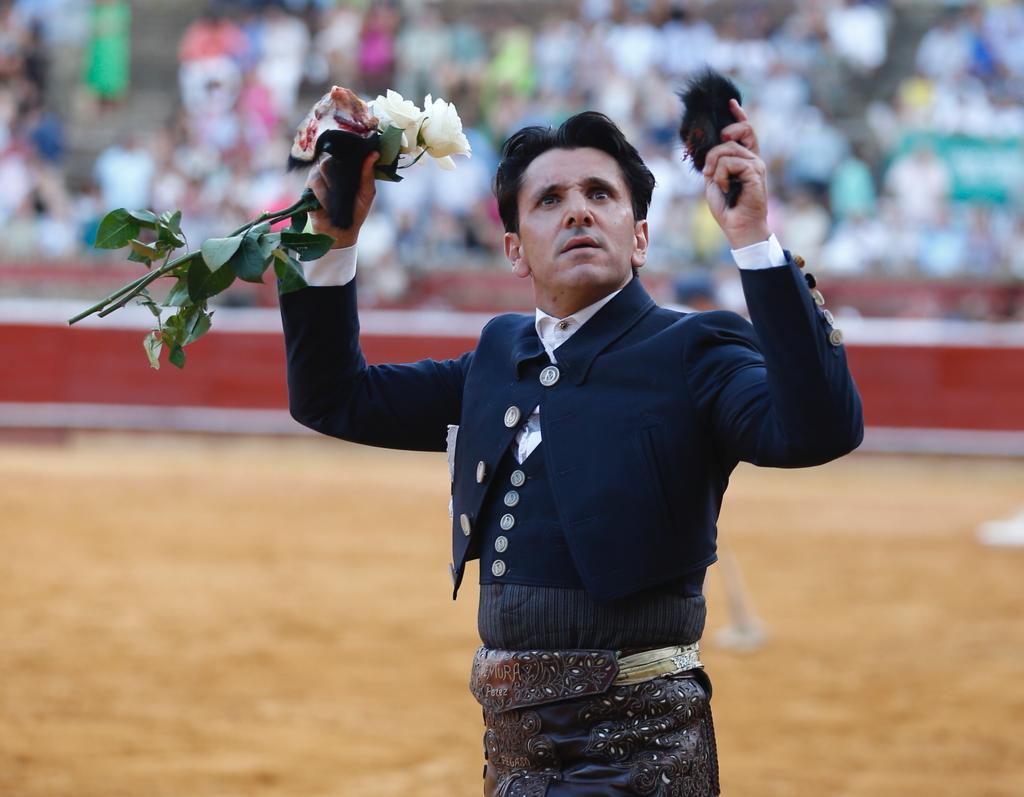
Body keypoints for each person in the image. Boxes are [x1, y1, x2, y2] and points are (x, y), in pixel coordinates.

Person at [278, 104, 863, 796]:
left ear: (639, 237)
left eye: (600, 194)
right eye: (550, 199)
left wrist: (754, 241)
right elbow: (333, 398)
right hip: (513, 757)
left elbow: (820, 429)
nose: (578, 211)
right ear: (515, 249)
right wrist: (331, 241)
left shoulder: (695, 350)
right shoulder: (499, 355)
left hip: (640, 752)